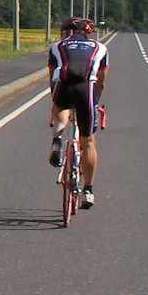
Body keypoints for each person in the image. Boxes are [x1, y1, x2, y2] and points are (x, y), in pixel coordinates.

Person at [47, 16, 110, 207]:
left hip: (64, 87)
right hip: (86, 89)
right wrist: (95, 101)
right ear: (88, 32)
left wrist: (56, 101)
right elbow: (101, 81)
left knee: (60, 106)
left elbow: (53, 78)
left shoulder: (57, 47)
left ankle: (57, 141)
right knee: (88, 141)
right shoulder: (100, 48)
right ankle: (88, 191)